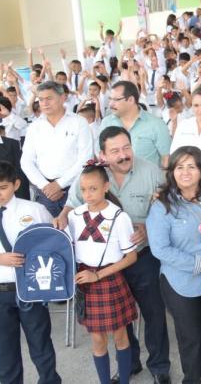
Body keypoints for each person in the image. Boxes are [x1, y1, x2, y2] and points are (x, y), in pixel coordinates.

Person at [60, 127, 170, 384]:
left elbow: (168, 206)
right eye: (115, 151)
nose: (123, 155)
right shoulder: (93, 176)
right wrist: (63, 216)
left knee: (154, 313)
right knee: (121, 319)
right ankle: (129, 363)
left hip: (142, 255)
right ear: (103, 154)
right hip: (105, 262)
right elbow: (73, 203)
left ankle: (159, 366)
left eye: (126, 148)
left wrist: (148, 228)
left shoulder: (151, 171)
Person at [147, 146, 201, 384]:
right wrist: (200, 262)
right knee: (191, 336)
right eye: (179, 167)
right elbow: (160, 249)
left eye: (192, 166)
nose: (186, 172)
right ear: (172, 172)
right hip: (180, 281)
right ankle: (191, 378)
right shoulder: (162, 205)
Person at [68, 160, 138, 384]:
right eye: (83, 189)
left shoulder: (119, 217)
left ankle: (124, 380)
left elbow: (131, 257)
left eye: (93, 188)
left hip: (109, 280)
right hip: (84, 280)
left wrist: (98, 275)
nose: (87, 194)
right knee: (97, 339)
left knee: (119, 335)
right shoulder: (74, 216)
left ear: (106, 186)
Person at [0, 161, 62, 384]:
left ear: (16, 184)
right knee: (5, 353)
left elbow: (54, 242)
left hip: (31, 289)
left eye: (2, 188)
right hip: (1, 291)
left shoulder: (34, 210)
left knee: (41, 344)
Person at [21, 81, 93, 217]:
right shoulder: (34, 127)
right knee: (51, 233)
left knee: (79, 231)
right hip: (44, 192)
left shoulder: (79, 122)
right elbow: (26, 161)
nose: (44, 103)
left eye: (49, 98)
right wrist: (45, 186)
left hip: (75, 189)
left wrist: (59, 184)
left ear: (63, 98)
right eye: (41, 99)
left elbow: (86, 158)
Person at [100, 81, 171, 167]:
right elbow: (101, 156)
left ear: (131, 100)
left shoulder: (156, 124)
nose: (110, 104)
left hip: (148, 179)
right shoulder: (106, 122)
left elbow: (166, 160)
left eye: (116, 99)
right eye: (110, 99)